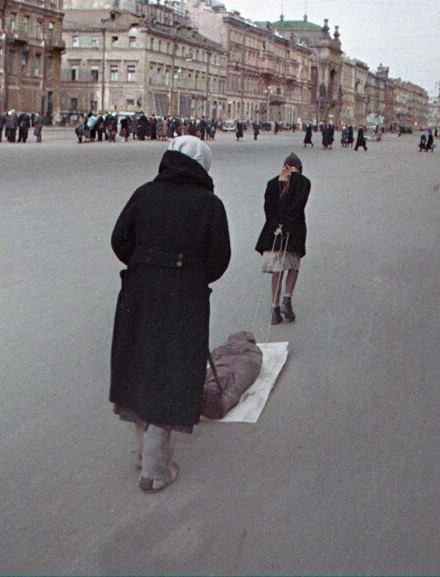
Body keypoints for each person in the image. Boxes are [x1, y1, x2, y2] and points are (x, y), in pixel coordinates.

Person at [110, 136, 231, 494]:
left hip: (139, 293)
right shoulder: (210, 204)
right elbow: (218, 261)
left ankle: (140, 453)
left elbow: (119, 240)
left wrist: (144, 264)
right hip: (183, 299)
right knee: (171, 371)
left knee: (139, 365)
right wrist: (189, 276)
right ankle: (155, 469)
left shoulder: (144, 193)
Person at [255, 152, 311, 325]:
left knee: (277, 270)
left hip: (274, 230)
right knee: (293, 266)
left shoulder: (272, 183)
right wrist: (288, 225)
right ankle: (287, 300)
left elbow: (268, 208)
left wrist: (277, 225)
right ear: (299, 168)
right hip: (294, 231)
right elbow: (298, 206)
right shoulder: (304, 182)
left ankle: (274, 308)